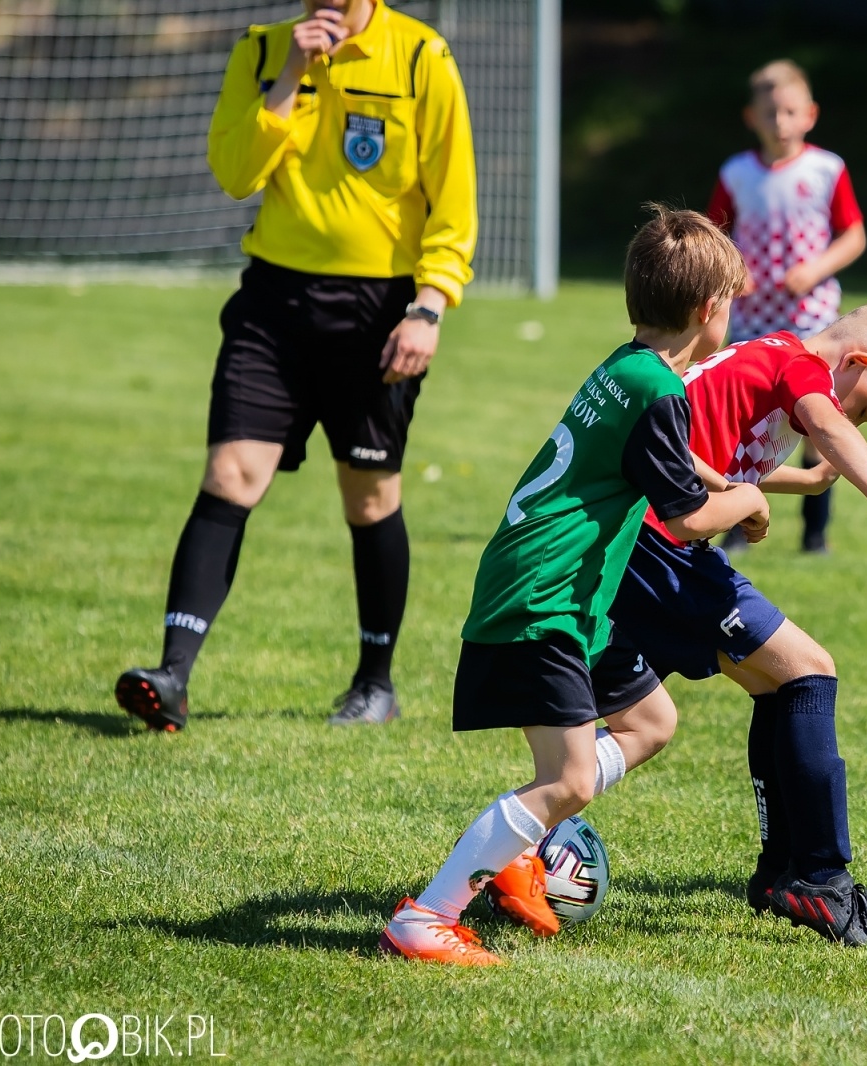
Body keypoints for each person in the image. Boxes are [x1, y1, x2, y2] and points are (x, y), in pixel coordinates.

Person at [379, 207, 771, 965]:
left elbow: (640, 457)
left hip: (570, 597)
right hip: (545, 596)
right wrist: (748, 499)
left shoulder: (630, 368)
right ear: (709, 310)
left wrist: (711, 472)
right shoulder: (659, 390)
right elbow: (688, 522)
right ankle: (428, 916)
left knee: (650, 722)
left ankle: (522, 847)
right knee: (571, 779)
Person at [113, 0, 477, 730]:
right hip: (273, 301)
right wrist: (288, 78)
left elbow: (455, 203)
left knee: (369, 497)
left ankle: (375, 684)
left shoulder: (421, 56)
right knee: (229, 475)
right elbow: (235, 173)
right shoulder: (261, 50)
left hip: (381, 312)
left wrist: (429, 305)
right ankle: (173, 676)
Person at [589, 302, 867, 950]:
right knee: (810, 672)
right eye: (863, 411)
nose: (851, 424)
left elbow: (717, 451)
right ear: (855, 365)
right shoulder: (795, 363)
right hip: (660, 544)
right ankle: (821, 878)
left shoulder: (766, 354)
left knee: (766, 687)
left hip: (640, 544)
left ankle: (781, 871)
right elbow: (825, 422)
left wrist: (808, 481)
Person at [706, 59, 867, 555]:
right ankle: (737, 526)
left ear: (810, 115)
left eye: (790, 112)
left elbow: (854, 235)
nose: (780, 122)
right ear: (751, 117)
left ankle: (814, 534)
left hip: (813, 322)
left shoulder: (827, 169)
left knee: (816, 423)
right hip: (753, 323)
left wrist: (815, 270)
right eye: (770, 113)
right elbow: (713, 235)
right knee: (746, 424)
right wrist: (737, 270)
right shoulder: (735, 174)